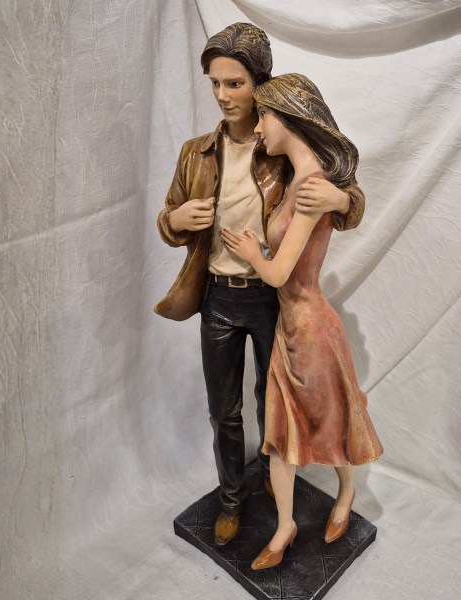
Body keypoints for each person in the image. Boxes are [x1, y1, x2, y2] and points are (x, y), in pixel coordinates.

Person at [155, 24, 367, 546]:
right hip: (216, 297)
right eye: (215, 83)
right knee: (222, 408)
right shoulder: (195, 153)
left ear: (259, 85)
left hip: (271, 298)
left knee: (274, 405)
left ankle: (279, 486)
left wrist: (342, 200)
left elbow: (343, 190)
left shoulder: (279, 146)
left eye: (235, 83)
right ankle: (232, 498)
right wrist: (176, 220)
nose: (223, 96)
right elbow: (168, 217)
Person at [220, 73, 383, 570]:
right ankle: (286, 526)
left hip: (310, 329)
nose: (258, 127)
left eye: (264, 117)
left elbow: (278, 273)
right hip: (290, 325)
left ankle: (347, 492)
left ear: (287, 118)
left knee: (329, 419)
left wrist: (252, 252)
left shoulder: (312, 187)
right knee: (282, 435)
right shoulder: (298, 178)